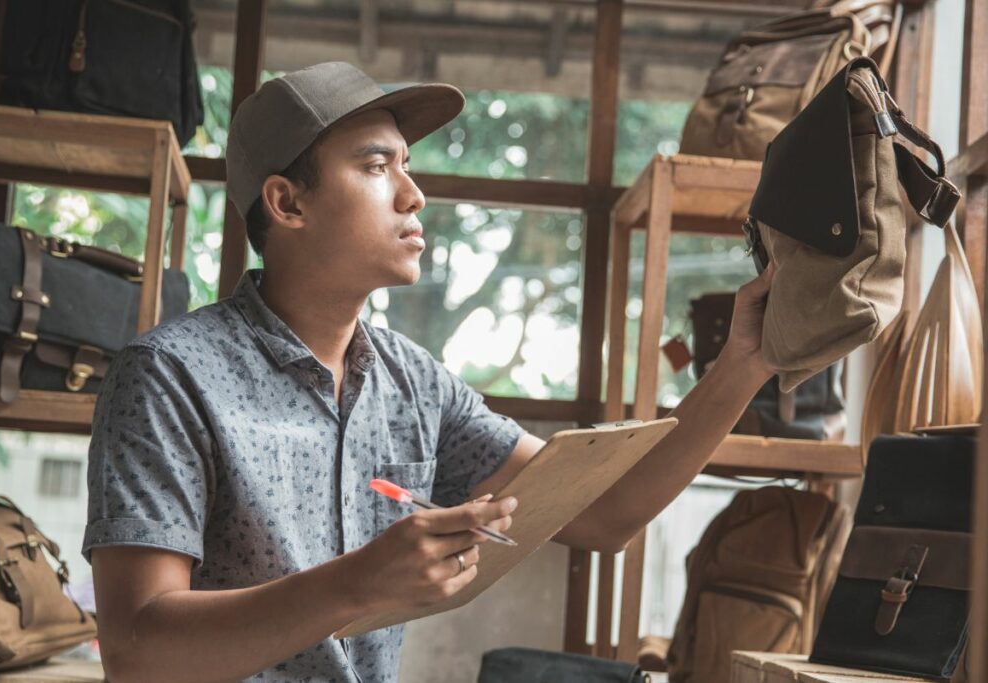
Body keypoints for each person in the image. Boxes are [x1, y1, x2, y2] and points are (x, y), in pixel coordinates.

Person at [83, 62, 774, 683]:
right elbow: (139, 653)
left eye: (407, 165)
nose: (414, 195)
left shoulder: (412, 380)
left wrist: (746, 361)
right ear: (288, 202)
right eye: (378, 166)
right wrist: (357, 583)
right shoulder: (168, 375)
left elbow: (601, 511)